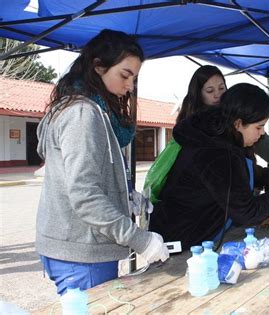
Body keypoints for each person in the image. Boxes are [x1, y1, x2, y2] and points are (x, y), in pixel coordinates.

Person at [36, 29, 169, 295]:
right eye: (125, 75)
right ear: (98, 67)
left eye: (134, 77)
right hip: (82, 253)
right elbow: (85, 195)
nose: (130, 86)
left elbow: (84, 174)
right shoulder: (83, 113)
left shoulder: (85, 108)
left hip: (76, 249)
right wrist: (141, 240)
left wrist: (124, 195)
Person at [148, 83, 269, 250]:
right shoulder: (217, 152)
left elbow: (230, 183)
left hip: (193, 235)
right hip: (182, 243)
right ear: (238, 123)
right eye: (259, 127)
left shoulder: (219, 138)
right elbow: (245, 211)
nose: (261, 133)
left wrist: (268, 177)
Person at [145, 65, 269, 203]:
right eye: (209, 90)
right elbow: (240, 205)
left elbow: (266, 147)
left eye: (222, 88)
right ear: (198, 95)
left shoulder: (236, 119)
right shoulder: (198, 133)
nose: (218, 95)